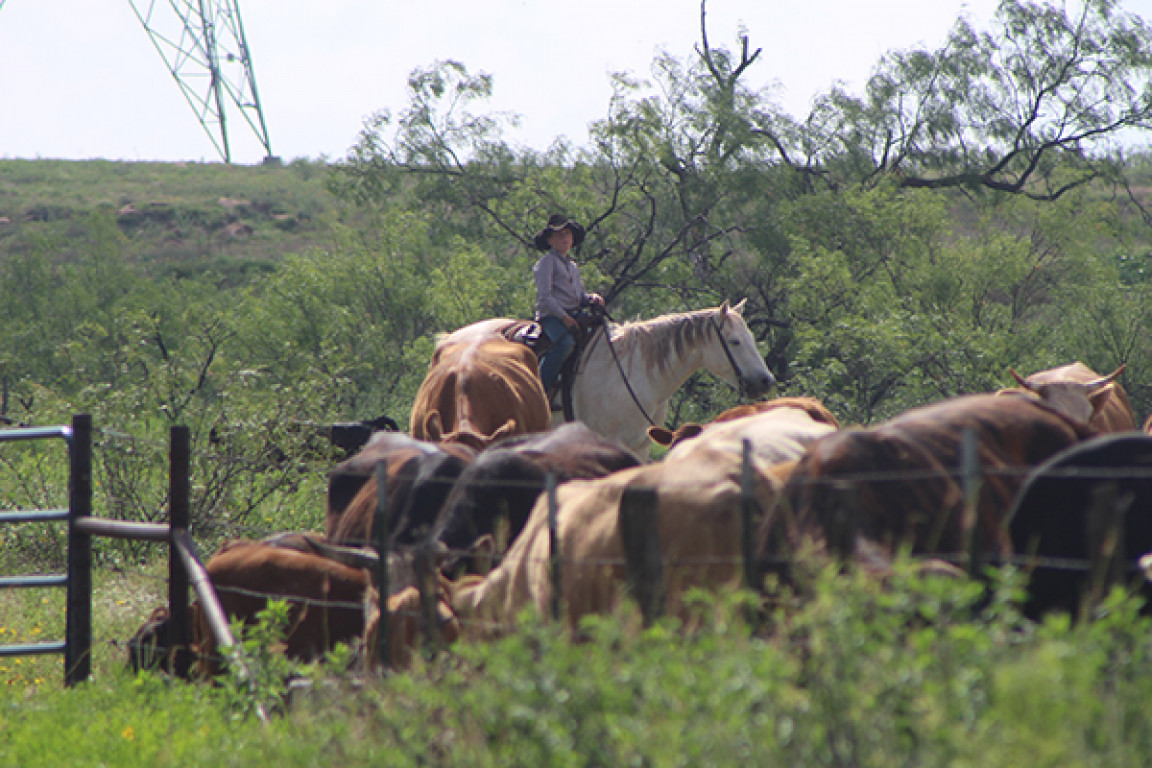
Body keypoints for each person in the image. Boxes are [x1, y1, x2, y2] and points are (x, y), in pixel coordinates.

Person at [532, 214, 604, 396]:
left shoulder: (573, 266)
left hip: (573, 315)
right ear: (550, 240)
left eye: (567, 234)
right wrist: (563, 317)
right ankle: (539, 391)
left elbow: (579, 297)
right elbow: (545, 297)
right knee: (565, 344)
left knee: (601, 337)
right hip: (551, 317)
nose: (564, 238)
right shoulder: (546, 263)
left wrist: (592, 298)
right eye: (559, 235)